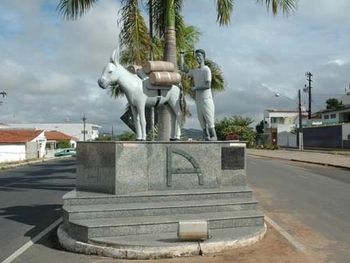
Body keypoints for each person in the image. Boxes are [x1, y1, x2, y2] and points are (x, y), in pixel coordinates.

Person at [180, 49, 217, 140]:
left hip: (207, 99)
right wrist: (181, 57)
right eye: (196, 56)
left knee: (209, 120)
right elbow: (183, 69)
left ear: (203, 57)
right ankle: (206, 138)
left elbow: (207, 85)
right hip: (198, 99)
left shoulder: (206, 70)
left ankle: (214, 137)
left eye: (199, 56)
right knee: (202, 122)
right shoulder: (195, 71)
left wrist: (196, 88)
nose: (198, 58)